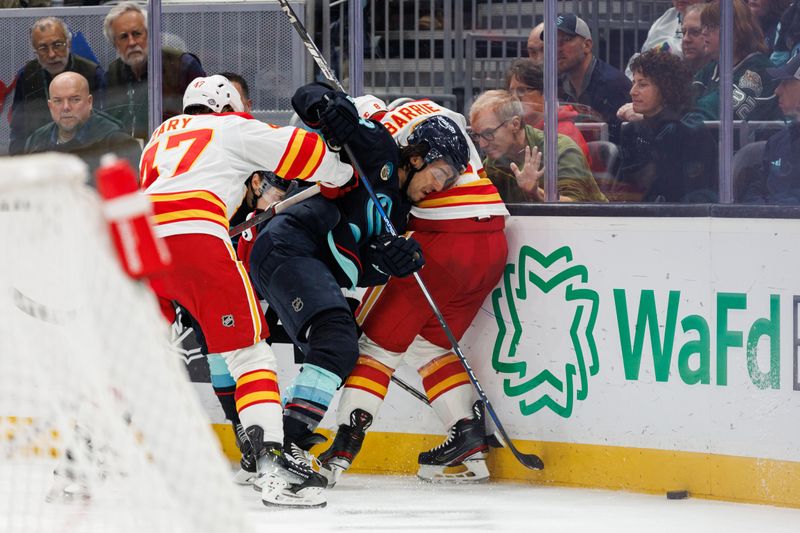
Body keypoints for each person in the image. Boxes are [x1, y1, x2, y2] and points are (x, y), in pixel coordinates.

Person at [141, 75, 357, 508]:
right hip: (195, 238)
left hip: (140, 244)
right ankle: (273, 469)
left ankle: (78, 457)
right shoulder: (232, 128)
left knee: (136, 353)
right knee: (249, 353)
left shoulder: (158, 136)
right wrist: (342, 158)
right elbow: (311, 156)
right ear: (225, 107)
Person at [316, 95, 509, 486]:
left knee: (376, 348)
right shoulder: (439, 113)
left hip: (443, 245)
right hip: (493, 244)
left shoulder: (377, 136)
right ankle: (466, 436)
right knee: (429, 346)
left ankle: (344, 446)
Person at [615, 50, 718, 202]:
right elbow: (621, 193)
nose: (632, 92)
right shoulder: (631, 131)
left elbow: (698, 196)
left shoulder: (691, 134)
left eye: (642, 85)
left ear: (666, 88)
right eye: (633, 83)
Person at [470, 89, 606, 203]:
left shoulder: (560, 150)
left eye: (488, 133)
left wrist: (536, 192)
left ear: (515, 124)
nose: (482, 144)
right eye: (476, 135)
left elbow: (575, 206)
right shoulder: (493, 162)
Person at [103, 2, 205, 141]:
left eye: (137, 34)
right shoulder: (112, 74)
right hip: (129, 152)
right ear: (115, 44)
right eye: (123, 37)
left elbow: (205, 118)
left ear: (150, 35)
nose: (132, 42)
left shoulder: (183, 65)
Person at [9, 16, 105, 155]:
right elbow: (18, 130)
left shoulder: (92, 74)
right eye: (43, 48)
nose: (52, 54)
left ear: (69, 44)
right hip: (39, 156)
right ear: (35, 52)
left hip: (83, 154)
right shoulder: (27, 76)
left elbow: (103, 125)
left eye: (58, 45)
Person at [23, 72, 140, 179]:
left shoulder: (114, 140)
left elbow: (128, 197)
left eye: (75, 99)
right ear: (50, 106)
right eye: (58, 101)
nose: (66, 107)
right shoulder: (35, 141)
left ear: (89, 102)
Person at [693, 0, 783, 121]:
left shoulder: (758, 70)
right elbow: (683, 102)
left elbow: (715, 111)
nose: (704, 32)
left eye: (712, 26)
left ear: (736, 31)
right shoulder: (711, 69)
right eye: (704, 26)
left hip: (758, 139)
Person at [550, 14, 632, 143]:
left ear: (587, 45)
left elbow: (622, 143)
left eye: (565, 40)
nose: (557, 48)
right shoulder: (556, 84)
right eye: (553, 42)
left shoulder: (613, 84)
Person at [505, 58, 591, 163]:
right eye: (511, 92)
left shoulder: (564, 133)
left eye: (522, 90)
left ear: (546, 94)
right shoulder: (521, 130)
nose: (514, 97)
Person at [741, 53, 800, 202]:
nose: (777, 91)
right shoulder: (776, 142)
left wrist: (774, 209)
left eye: (785, 83)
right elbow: (754, 189)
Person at [624, 0, 708, 79]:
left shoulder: (713, 17)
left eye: (695, 32)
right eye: (684, 31)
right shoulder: (666, 18)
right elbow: (643, 56)